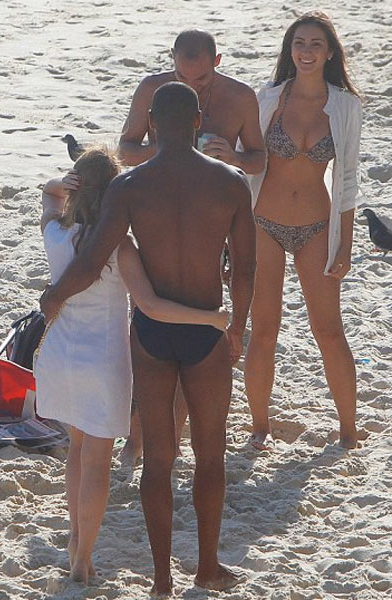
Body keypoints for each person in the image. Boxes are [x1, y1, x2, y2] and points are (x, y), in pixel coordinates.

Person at [40, 82, 256, 596]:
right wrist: (236, 327)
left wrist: (53, 297)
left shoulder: (131, 186)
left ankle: (161, 579)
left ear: (153, 125)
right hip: (204, 327)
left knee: (158, 457)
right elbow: (246, 268)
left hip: (153, 334)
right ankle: (207, 567)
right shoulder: (230, 182)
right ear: (198, 122)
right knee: (210, 454)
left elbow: (92, 261)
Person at [118, 28, 265, 467]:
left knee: (196, 331)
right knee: (151, 328)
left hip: (210, 222)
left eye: (202, 80)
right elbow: (125, 149)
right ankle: (137, 439)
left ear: (218, 62)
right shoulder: (153, 89)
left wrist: (231, 159)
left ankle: (173, 436)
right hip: (159, 220)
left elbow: (259, 159)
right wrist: (170, 150)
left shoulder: (241, 97)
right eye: (184, 77)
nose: (193, 88)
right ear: (172, 61)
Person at [244, 11, 362, 451]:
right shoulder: (268, 98)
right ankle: (260, 426)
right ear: (289, 50)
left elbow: (347, 179)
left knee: (329, 330)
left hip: (317, 228)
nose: (306, 52)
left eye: (315, 44)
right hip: (262, 224)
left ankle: (348, 428)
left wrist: (344, 245)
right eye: (299, 43)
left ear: (329, 53)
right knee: (264, 330)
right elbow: (247, 162)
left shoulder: (345, 107)